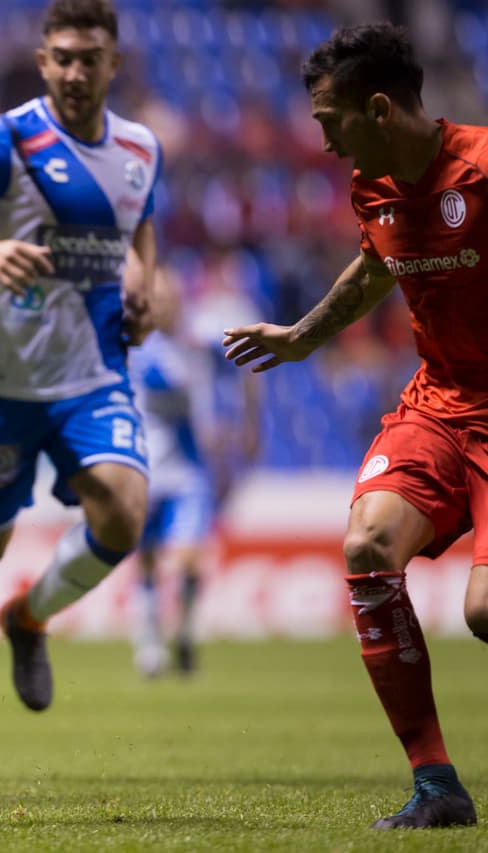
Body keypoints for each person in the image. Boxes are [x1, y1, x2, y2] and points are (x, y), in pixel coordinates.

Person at [223, 23, 482, 831]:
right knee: (368, 544)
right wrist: (301, 337)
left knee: (483, 613)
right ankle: (436, 784)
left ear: (377, 108)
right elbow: (378, 263)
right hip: (440, 405)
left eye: (329, 118)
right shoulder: (373, 185)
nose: (324, 140)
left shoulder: (481, 168)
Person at [0, 0, 159, 781]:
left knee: (123, 510)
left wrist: (144, 275)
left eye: (91, 58)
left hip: (93, 373)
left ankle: (30, 616)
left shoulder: (140, 147)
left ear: (113, 64)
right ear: (43, 62)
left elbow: (139, 222)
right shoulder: (4, 139)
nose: (77, 72)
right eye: (63, 58)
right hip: (5, 385)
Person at [126, 271, 260, 677]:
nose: (163, 305)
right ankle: (149, 641)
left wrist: (247, 422)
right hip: (143, 470)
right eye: (156, 298)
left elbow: (246, 365)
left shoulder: (200, 344)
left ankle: (183, 631)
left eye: (169, 297)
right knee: (147, 559)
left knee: (185, 562)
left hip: (188, 472)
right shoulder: (134, 348)